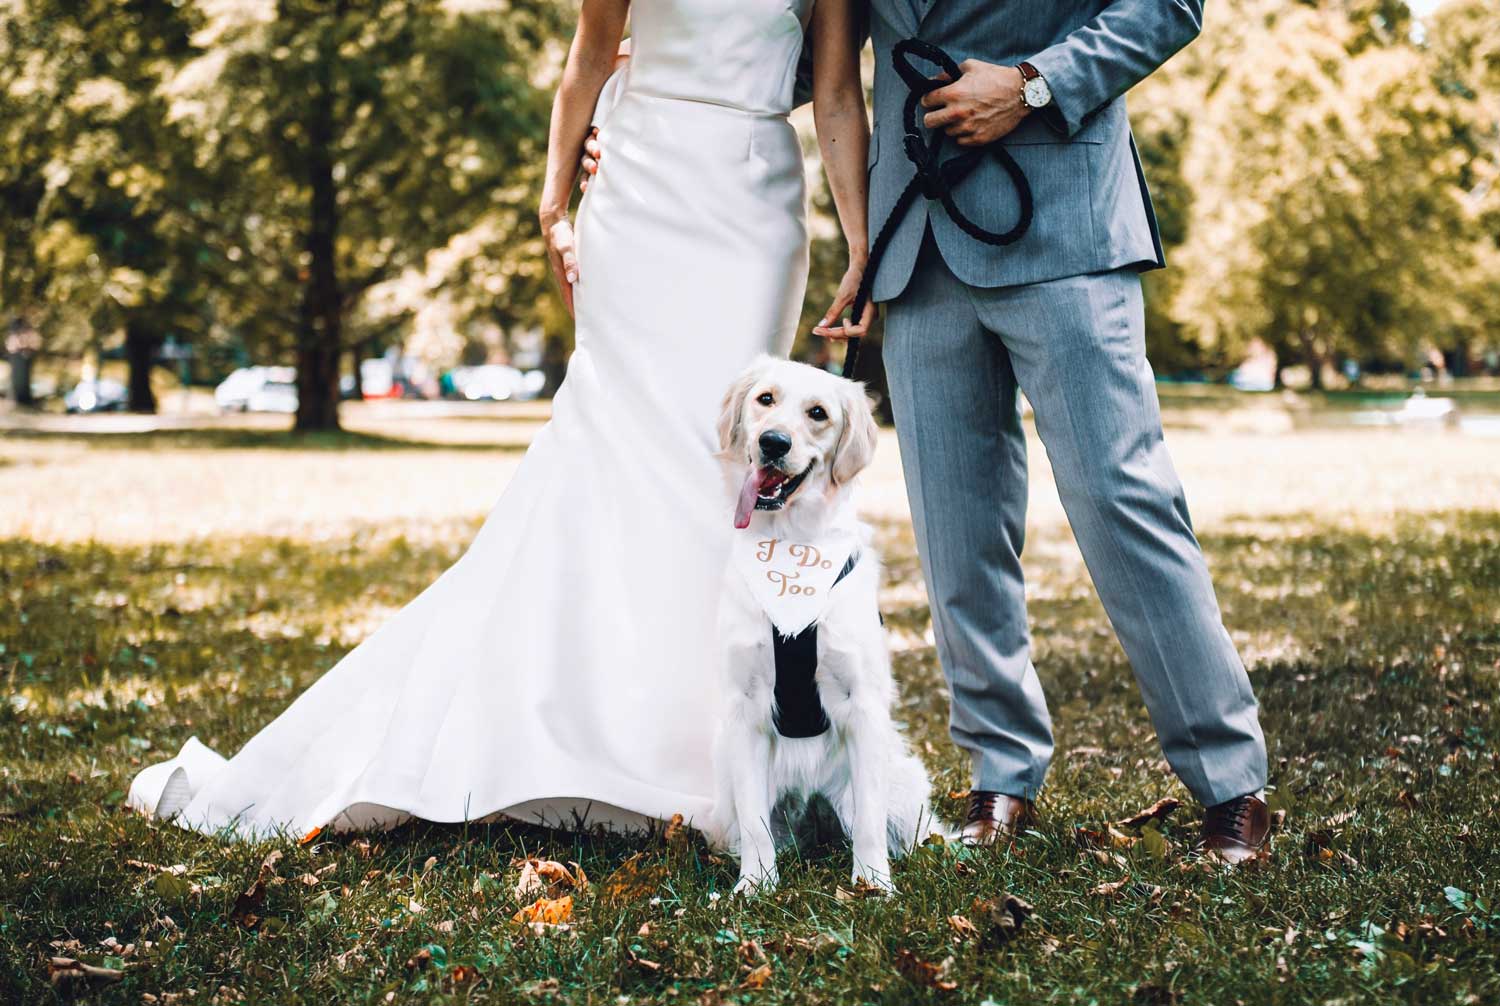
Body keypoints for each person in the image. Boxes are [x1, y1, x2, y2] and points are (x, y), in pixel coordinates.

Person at [127, 0, 873, 838]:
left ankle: (723, 742)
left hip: (755, 205)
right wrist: (554, 207)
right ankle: (578, 728)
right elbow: (589, 56)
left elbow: (840, 93)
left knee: (722, 465)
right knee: (614, 445)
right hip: (640, 190)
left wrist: (859, 243)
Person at [585, 0, 1272, 864]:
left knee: (1120, 501)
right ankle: (1001, 772)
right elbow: (815, 60)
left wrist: (1032, 85)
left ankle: (1230, 784)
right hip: (913, 240)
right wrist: (650, 100)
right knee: (956, 530)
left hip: (1060, 216)